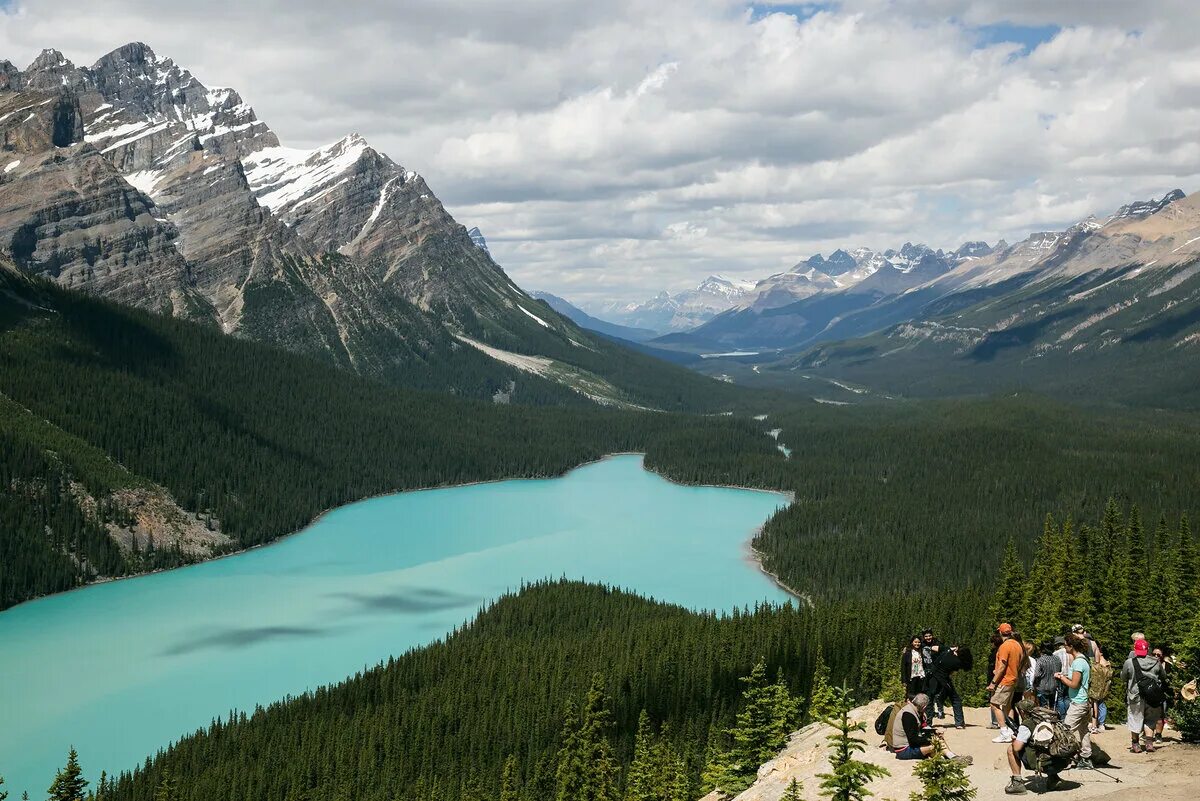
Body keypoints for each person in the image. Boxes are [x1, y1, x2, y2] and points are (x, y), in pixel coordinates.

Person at [1003, 700, 1071, 795]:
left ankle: (1017, 783)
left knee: (1011, 749)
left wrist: (1014, 739)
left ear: (1022, 712)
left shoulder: (1027, 724)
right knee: (1046, 746)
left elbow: (1017, 748)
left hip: (1045, 764)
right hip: (1061, 761)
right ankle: (1053, 779)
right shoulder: (1048, 719)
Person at [889, 693, 971, 764]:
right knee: (935, 744)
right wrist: (931, 739)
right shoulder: (908, 715)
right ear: (924, 706)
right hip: (904, 751)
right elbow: (913, 739)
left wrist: (934, 731)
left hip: (908, 746)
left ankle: (949, 757)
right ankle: (950, 757)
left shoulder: (913, 710)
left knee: (936, 737)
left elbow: (917, 730)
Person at [1056, 633, 1094, 770]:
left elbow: (1074, 684)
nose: (1063, 647)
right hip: (1083, 701)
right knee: (1084, 731)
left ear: (1071, 646)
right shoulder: (1083, 660)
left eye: (1065, 644)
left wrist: (1061, 677)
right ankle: (1086, 757)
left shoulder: (1078, 662)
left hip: (1078, 702)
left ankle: (1068, 758)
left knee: (1066, 730)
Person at [1121, 638, 1166, 753]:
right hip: (1152, 695)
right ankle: (1149, 744)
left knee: (1135, 719)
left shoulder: (1129, 662)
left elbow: (1123, 677)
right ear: (1148, 650)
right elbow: (1163, 676)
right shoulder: (1156, 662)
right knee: (1150, 720)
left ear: (1135, 650)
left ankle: (1135, 745)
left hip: (1135, 696)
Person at [988, 623, 1024, 742]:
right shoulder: (1017, 645)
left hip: (1004, 680)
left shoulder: (1004, 646)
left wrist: (993, 682)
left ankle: (1004, 731)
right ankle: (1012, 730)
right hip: (1014, 679)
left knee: (994, 704)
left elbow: (1002, 666)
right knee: (1008, 706)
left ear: (1000, 632)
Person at [928, 644, 968, 729]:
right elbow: (951, 673)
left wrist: (949, 648)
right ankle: (959, 723)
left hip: (933, 677)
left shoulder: (946, 651)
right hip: (944, 679)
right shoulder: (957, 662)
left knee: (930, 699)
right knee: (955, 699)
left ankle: (928, 723)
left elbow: (933, 647)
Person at [920, 629, 943, 717]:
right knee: (928, 692)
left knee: (937, 692)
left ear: (932, 635)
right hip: (925, 671)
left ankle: (940, 710)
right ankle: (931, 711)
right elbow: (914, 646)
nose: (928, 638)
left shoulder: (938, 643)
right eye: (926, 636)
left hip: (936, 671)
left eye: (929, 636)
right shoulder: (922, 644)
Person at [1032, 642, 1059, 709]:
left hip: (1042, 686)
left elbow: (1037, 674)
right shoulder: (1057, 659)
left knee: (1043, 707)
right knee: (1052, 706)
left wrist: (1034, 684)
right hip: (1054, 686)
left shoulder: (1040, 660)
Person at [901, 635, 927, 699]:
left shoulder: (922, 651)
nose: (917, 644)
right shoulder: (907, 653)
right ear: (912, 642)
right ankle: (910, 708)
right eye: (915, 642)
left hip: (921, 676)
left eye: (919, 642)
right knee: (910, 695)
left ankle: (918, 708)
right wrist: (904, 680)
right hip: (911, 677)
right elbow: (903, 667)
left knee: (919, 695)